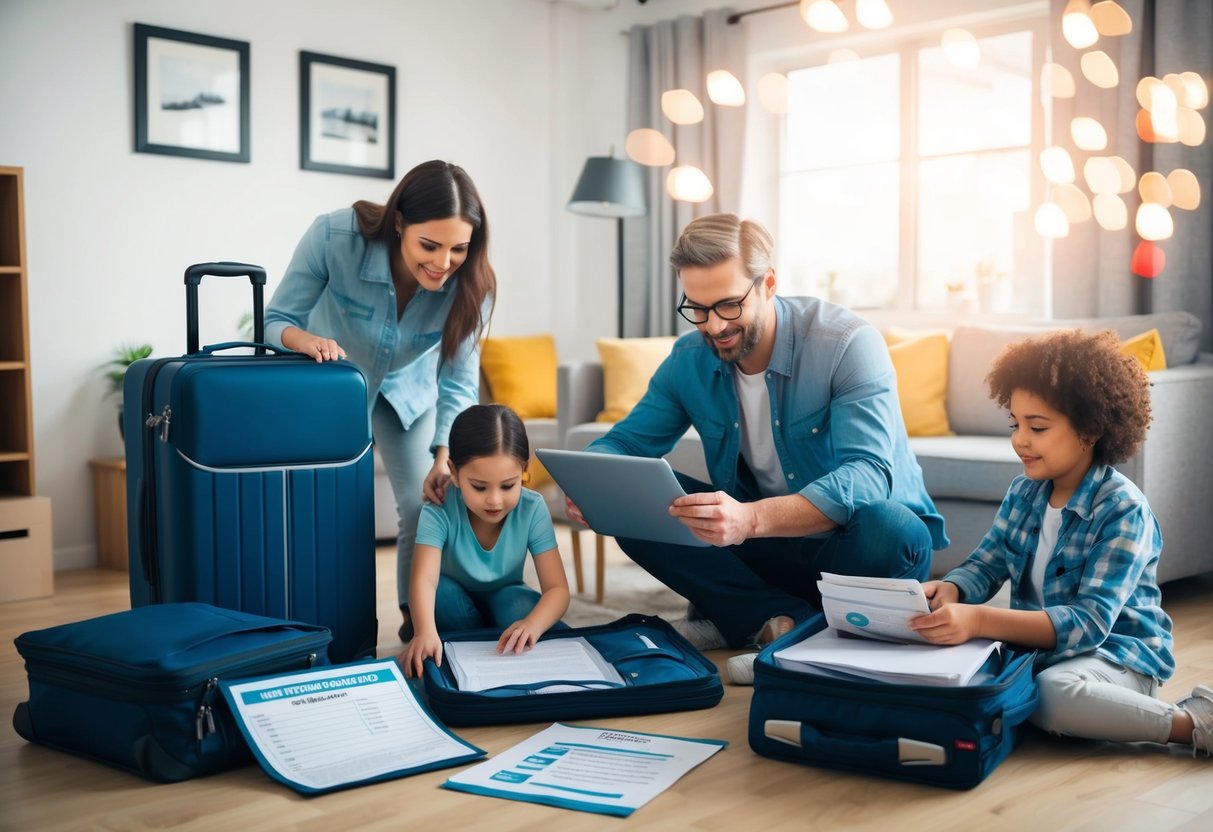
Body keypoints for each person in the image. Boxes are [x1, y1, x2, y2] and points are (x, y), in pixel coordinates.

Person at [567, 213, 946, 680]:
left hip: (855, 551)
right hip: (769, 547)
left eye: (728, 305)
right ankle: (783, 622)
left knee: (890, 527)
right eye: (697, 309)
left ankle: (750, 619)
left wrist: (751, 519)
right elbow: (626, 442)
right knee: (635, 498)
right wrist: (595, 482)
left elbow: (868, 475)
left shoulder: (846, 343)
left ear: (768, 283)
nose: (713, 326)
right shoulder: (689, 357)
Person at [908, 330, 1211, 755]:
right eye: (1016, 423)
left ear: (1089, 430)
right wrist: (953, 588)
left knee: (1051, 695)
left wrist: (978, 620)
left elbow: (1088, 623)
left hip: (1117, 657)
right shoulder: (1023, 492)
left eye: (1038, 427)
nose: (1020, 440)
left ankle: (1192, 723)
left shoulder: (1124, 510)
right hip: (1043, 654)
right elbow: (988, 562)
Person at [265, 160, 496, 642]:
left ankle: (417, 619)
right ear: (398, 224)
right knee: (320, 512)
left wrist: (445, 457)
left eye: (459, 248)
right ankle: (309, 622)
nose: (443, 263)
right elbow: (274, 319)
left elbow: (458, 384)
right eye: (429, 246)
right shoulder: (334, 236)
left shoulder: (472, 285)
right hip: (330, 389)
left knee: (422, 504)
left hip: (406, 393)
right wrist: (304, 340)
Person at [400, 404, 570, 678]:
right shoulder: (438, 509)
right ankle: (478, 633)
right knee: (439, 597)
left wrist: (533, 625)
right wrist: (424, 631)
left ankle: (488, 633)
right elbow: (424, 580)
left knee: (522, 608)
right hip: (452, 599)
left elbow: (558, 590)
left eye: (508, 485)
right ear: (453, 473)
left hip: (507, 595)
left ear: (524, 471)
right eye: (479, 487)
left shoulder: (533, 508)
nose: (494, 500)